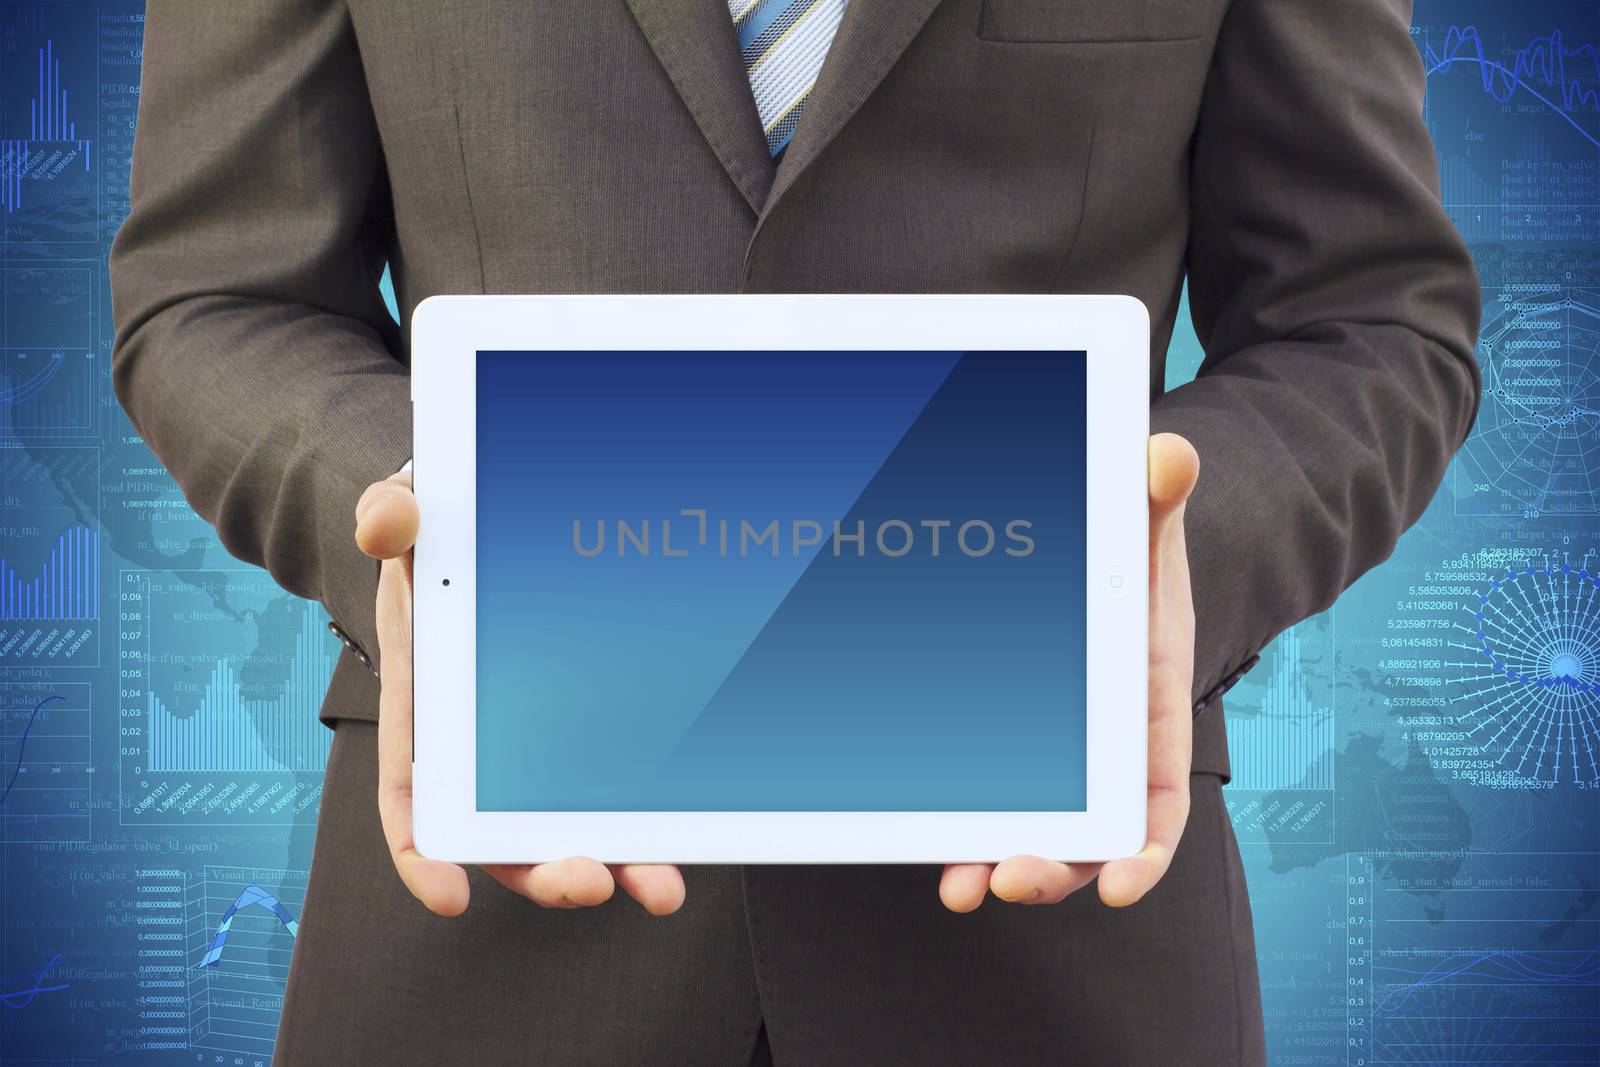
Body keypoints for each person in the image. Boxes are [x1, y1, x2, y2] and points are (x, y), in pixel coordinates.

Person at [109, 0, 1480, 1062]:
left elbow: (1368, 318)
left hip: (1058, 945)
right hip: (481, 943)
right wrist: (426, 521)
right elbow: (214, 296)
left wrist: (1160, 546)